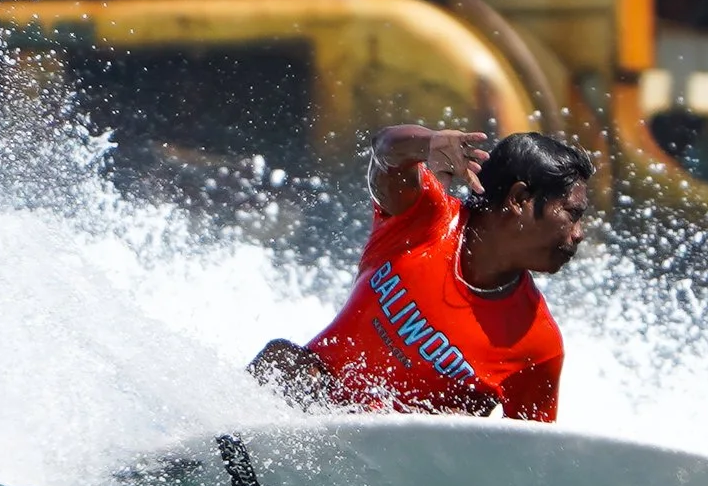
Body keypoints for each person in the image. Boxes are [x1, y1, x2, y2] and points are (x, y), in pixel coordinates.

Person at [249, 125, 594, 422]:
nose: (578, 233)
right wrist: (428, 143)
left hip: (398, 472)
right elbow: (386, 150)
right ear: (519, 199)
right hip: (300, 422)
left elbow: (528, 463)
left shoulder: (537, 346)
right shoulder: (423, 219)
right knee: (283, 361)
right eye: (572, 214)